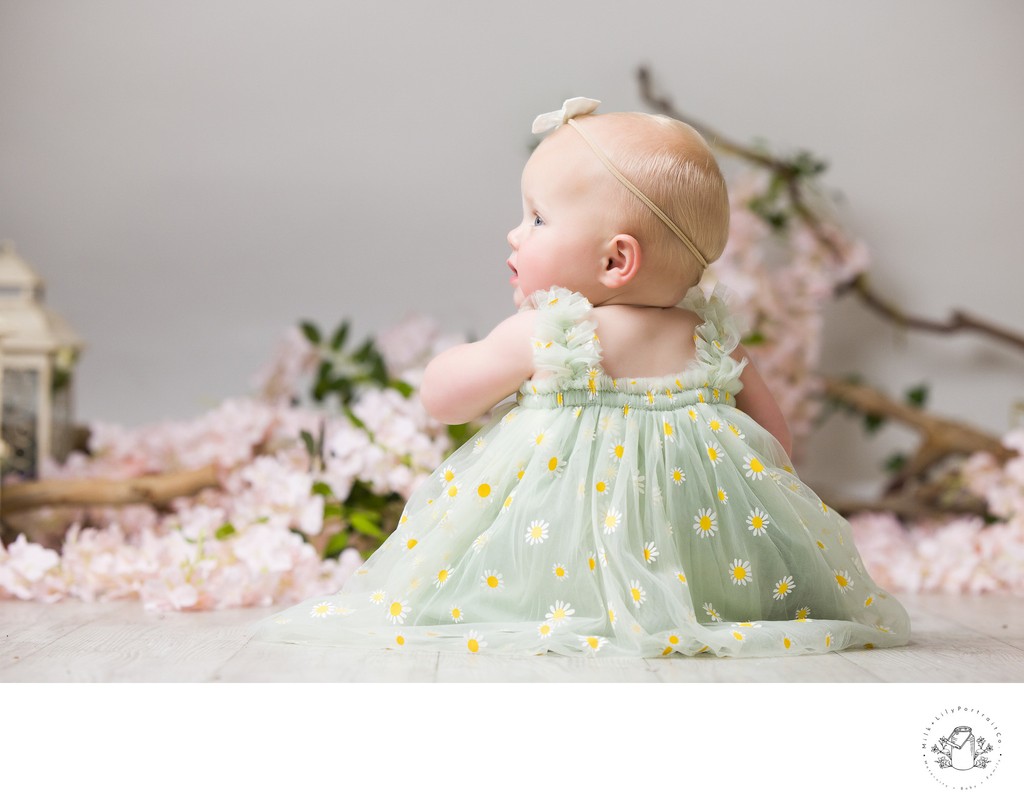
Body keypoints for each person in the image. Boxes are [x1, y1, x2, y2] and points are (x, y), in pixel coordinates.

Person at [256, 97, 911, 657]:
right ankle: (717, 599)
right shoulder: (708, 337)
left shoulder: (556, 332)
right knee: (714, 577)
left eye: (536, 218)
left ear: (615, 259)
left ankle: (554, 606)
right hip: (701, 558)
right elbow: (773, 445)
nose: (515, 234)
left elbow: (444, 400)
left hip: (557, 562)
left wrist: (462, 367)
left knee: (522, 576)